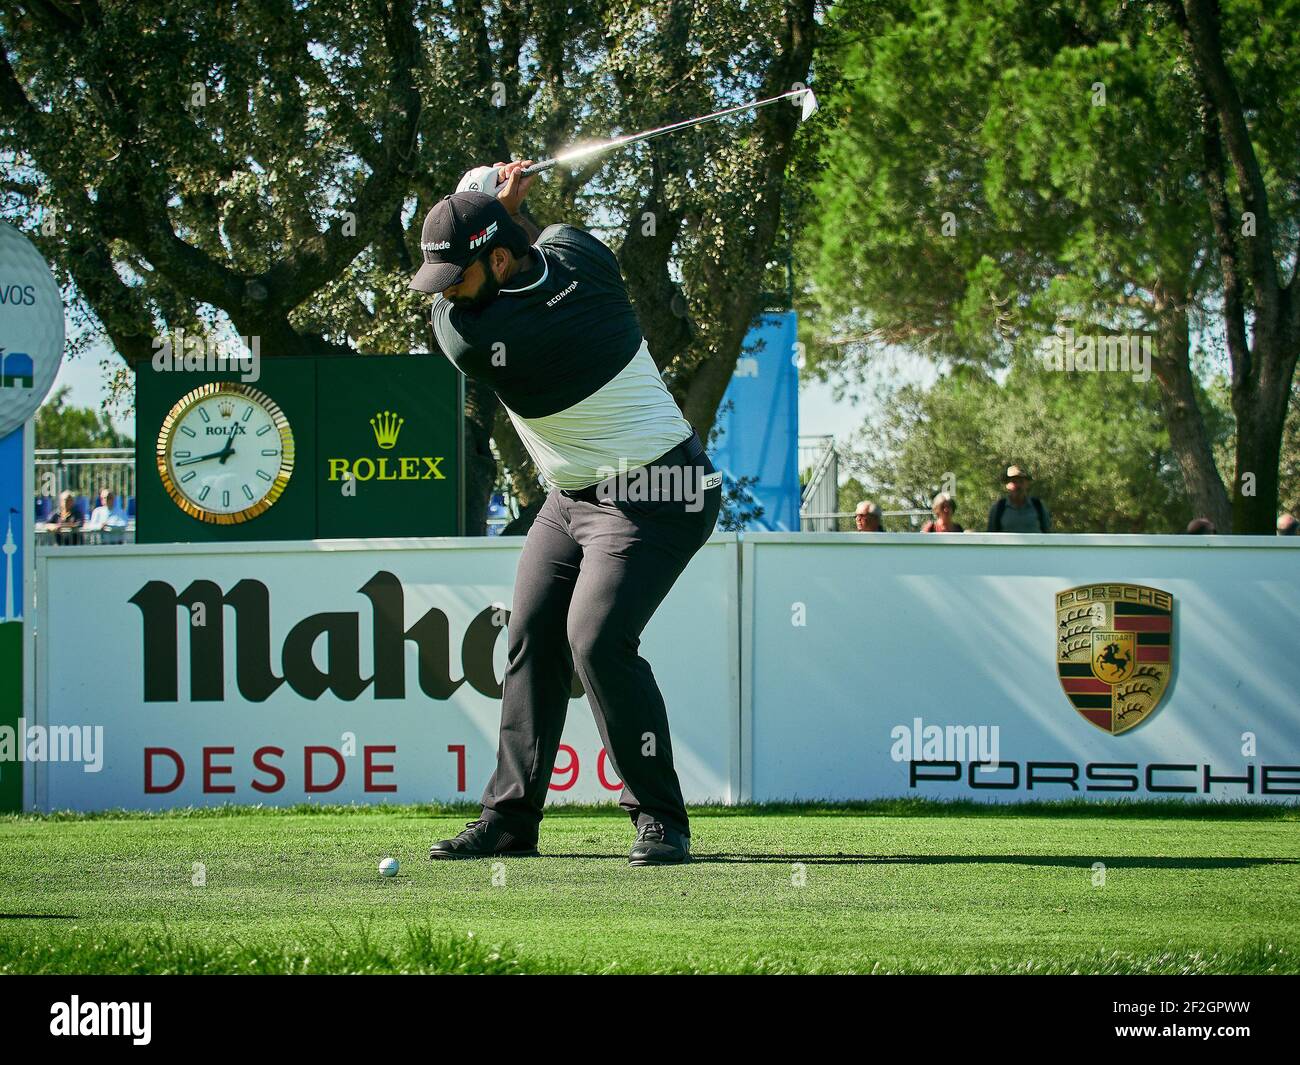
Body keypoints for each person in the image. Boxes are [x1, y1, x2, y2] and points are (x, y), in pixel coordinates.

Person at [411, 162, 721, 867]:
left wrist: (486, 198)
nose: (447, 292)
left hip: (661, 491)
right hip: (574, 494)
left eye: (455, 276)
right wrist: (499, 208)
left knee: (595, 638)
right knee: (531, 637)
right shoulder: (581, 254)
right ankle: (510, 818)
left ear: (495, 260)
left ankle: (661, 819)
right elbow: (541, 238)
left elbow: (456, 315)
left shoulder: (480, 338)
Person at [987, 465, 1051, 533]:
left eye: (1021, 481)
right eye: (1014, 481)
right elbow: (991, 537)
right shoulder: (998, 508)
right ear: (1007, 485)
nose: (1018, 485)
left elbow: (1047, 534)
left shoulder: (1038, 506)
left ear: (1027, 484)